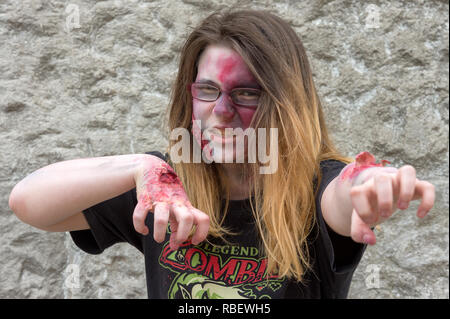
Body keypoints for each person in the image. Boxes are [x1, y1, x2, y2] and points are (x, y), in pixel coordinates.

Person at [8, 9, 435, 299]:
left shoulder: (315, 183)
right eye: (208, 90)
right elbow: (28, 202)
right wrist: (144, 167)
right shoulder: (165, 190)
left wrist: (369, 185)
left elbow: (343, 192)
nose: (222, 112)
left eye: (247, 94)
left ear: (287, 104)